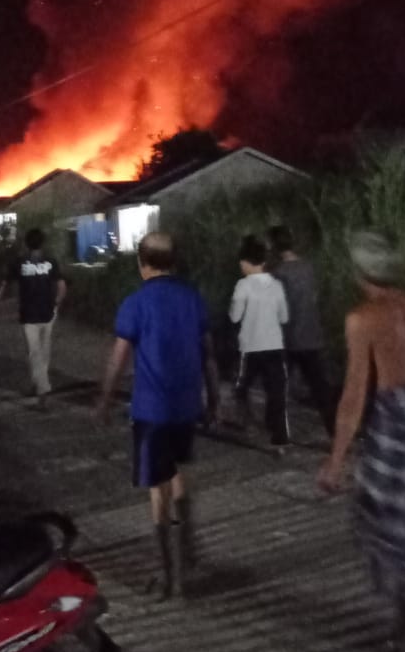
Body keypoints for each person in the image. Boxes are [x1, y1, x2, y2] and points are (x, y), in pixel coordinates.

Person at [318, 231, 405, 635]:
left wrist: (336, 458)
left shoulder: (363, 319)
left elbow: (354, 393)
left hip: (395, 427)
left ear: (358, 272)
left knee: (380, 522)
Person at [99, 231, 219, 599]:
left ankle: (169, 576)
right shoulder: (192, 299)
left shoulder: (135, 304)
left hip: (151, 410)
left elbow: (119, 357)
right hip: (186, 407)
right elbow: (208, 354)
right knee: (181, 474)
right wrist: (214, 399)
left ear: (142, 263)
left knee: (158, 490)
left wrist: (104, 399)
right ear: (175, 262)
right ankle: (189, 553)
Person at [266, 225, 335, 436]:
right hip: (312, 335)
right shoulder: (309, 267)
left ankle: (276, 430)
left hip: (289, 338)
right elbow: (318, 297)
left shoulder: (278, 274)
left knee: (278, 385)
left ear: (275, 246)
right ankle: (333, 428)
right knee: (320, 387)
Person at [230, 235, 290, 451]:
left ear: (245, 262)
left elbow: (235, 317)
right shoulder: (276, 285)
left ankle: (248, 425)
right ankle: (279, 435)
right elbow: (284, 318)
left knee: (241, 388)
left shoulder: (242, 286)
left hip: (250, 347)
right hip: (274, 345)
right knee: (276, 391)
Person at [2, 229, 66, 405]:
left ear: (26, 243)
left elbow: (8, 283)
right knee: (43, 352)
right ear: (43, 243)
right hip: (48, 312)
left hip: (29, 313)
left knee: (35, 352)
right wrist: (57, 303)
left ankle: (41, 389)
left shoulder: (19, 262)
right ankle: (39, 385)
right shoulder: (51, 261)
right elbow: (61, 285)